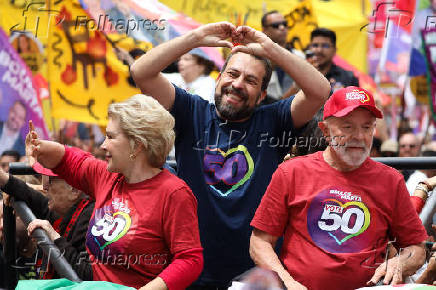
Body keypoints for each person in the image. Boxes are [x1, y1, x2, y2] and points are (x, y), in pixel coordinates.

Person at [130, 22, 330, 287]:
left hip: (257, 276)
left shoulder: (274, 120)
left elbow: (320, 90)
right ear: (218, 78)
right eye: (232, 74)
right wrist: (196, 37)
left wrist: (270, 48)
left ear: (261, 96)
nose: (237, 84)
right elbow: (141, 72)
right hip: (192, 268)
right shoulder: (191, 112)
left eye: (250, 81)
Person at [250, 86, 427, 290]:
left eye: (367, 127)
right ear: (325, 131)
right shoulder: (291, 172)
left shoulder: (391, 181)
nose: (359, 136)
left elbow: (417, 248)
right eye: (348, 127)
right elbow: (260, 242)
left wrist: (400, 262)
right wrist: (286, 282)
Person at [27, 95, 203, 289]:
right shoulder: (107, 176)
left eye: (110, 137)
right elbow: (69, 160)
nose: (103, 145)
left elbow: (190, 259)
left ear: (137, 145)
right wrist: (39, 147)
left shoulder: (174, 193)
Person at [0, 159, 94, 280]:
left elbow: (88, 275)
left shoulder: (92, 219)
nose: (44, 187)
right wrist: (8, 185)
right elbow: (29, 195)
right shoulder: (62, 209)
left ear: (74, 190)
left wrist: (54, 237)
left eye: (49, 181)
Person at [261, 11, 302, 102]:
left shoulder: (300, 56)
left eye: (285, 24)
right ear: (264, 30)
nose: (282, 28)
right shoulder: (257, 57)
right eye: (276, 25)